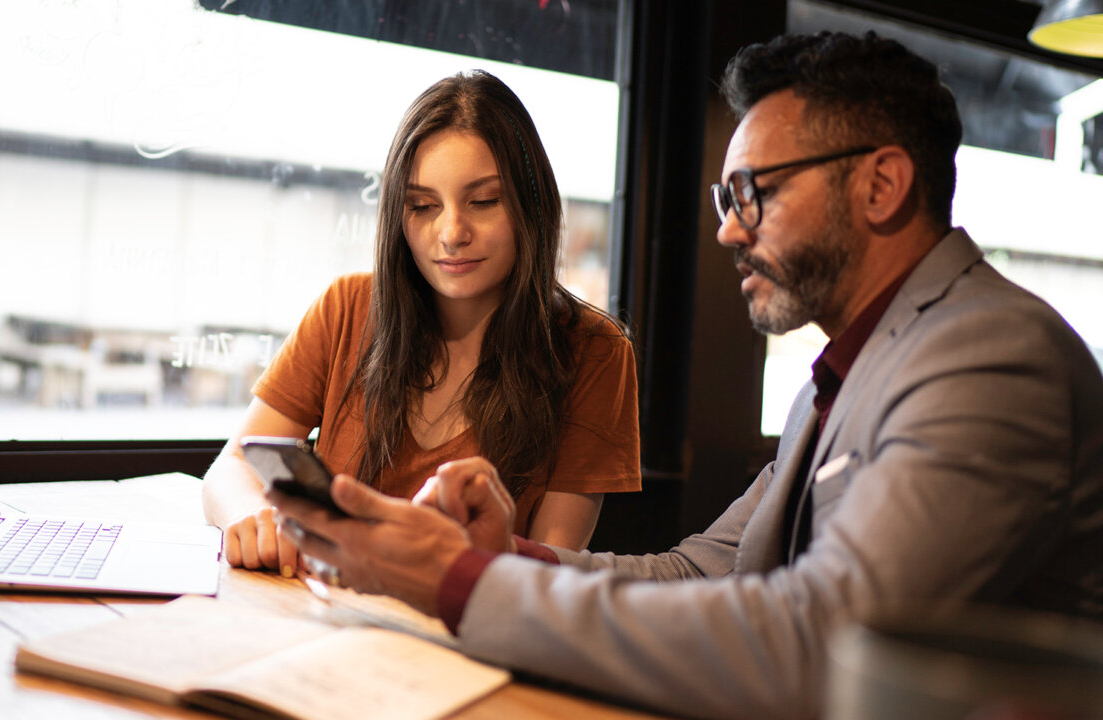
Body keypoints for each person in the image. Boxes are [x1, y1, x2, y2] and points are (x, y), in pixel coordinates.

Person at [269, 31, 1103, 719]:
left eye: (752, 193)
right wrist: (507, 555)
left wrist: (456, 581)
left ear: (881, 185)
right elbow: (700, 569)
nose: (729, 234)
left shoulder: (987, 354)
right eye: (724, 200)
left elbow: (825, 639)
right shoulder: (849, 372)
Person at [203, 70, 641, 575]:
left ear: (532, 205)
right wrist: (254, 516)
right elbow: (232, 466)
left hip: (465, 635)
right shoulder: (347, 307)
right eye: (423, 206)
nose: (452, 232)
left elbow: (549, 571)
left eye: (483, 201)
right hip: (320, 618)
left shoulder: (594, 351)